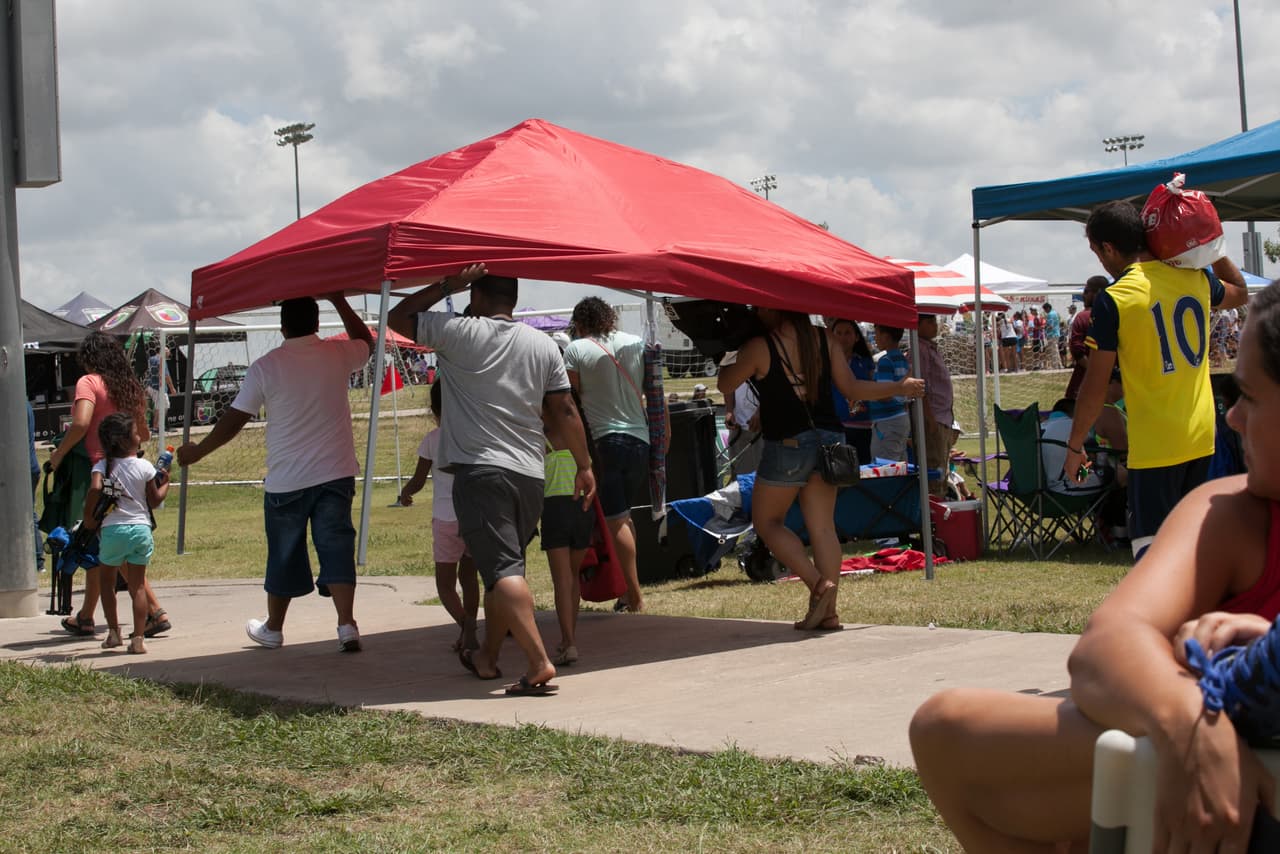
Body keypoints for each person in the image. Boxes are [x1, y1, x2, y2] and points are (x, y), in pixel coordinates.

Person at [909, 279, 1280, 852]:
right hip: (1173, 464)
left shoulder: (1238, 517)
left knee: (947, 734)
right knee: (944, 730)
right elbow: (1109, 642)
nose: (1233, 419)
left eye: (1248, 397)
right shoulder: (1232, 514)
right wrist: (1187, 721)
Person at [388, 264, 594, 696]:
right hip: (530, 475)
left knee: (502, 570)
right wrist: (584, 464)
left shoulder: (460, 333)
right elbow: (564, 411)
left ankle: (538, 662)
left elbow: (397, 317)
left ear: (476, 297)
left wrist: (446, 286)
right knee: (502, 570)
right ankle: (489, 658)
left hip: (481, 473)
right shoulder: (543, 345)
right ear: (514, 299)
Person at [177, 295, 373, 653]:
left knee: (283, 553)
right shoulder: (337, 355)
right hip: (335, 472)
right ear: (317, 323)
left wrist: (198, 452)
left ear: (282, 326)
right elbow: (367, 342)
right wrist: (339, 300)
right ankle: (347, 623)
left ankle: (274, 628)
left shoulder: (266, 366)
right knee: (336, 546)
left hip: (287, 478)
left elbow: (235, 419)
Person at [1063, 200, 1249, 559]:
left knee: (1153, 558)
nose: (1099, 261)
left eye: (1097, 251)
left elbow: (1095, 385)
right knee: (1198, 554)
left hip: (1155, 448)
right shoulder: (1194, 277)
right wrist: (1210, 245)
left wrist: (1074, 447)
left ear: (1109, 248)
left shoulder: (1115, 299)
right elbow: (1240, 291)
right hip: (1201, 438)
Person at [717, 309, 923, 632]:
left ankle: (818, 585)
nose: (755, 311)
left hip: (787, 444)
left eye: (759, 306)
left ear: (773, 308)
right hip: (830, 442)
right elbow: (852, 389)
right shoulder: (823, 338)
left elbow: (724, 382)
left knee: (766, 523)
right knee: (823, 528)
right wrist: (899, 387)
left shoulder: (760, 345)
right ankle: (829, 614)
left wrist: (730, 349)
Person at [47, 331, 170, 639]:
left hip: (98, 470)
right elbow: (142, 432)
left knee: (105, 541)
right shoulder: (128, 386)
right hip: (127, 470)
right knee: (103, 543)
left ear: (89, 358)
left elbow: (80, 423)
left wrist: (59, 455)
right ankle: (88, 616)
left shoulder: (88, 383)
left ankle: (154, 611)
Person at [563, 296, 660, 614]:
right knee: (624, 516)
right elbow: (654, 390)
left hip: (605, 441)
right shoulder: (635, 343)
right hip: (640, 438)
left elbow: (570, 402)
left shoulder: (576, 349)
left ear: (580, 323)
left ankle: (634, 595)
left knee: (616, 520)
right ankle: (626, 591)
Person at [397, 379, 479, 653]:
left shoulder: (431, 440)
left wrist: (405, 493)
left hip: (445, 519)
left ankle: (465, 625)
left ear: (434, 410)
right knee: (470, 579)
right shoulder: (472, 435)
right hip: (473, 516)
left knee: (445, 584)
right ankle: (471, 628)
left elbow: (419, 480)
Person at [83, 413, 170, 654]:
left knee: (108, 584)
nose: (140, 436)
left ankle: (113, 634)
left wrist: (90, 516)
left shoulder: (103, 466)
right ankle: (139, 639)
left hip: (113, 531)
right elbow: (154, 501)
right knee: (138, 587)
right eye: (135, 433)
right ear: (123, 441)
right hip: (141, 530)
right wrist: (166, 483)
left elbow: (95, 489)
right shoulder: (144, 466)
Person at [540, 393, 595, 667]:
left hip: (554, 508)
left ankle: (568, 640)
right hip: (583, 508)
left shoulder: (542, 439)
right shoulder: (580, 446)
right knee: (573, 577)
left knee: (561, 580)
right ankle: (568, 638)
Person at [915, 314, 958, 497]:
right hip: (934, 419)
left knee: (942, 471)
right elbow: (919, 386)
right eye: (929, 322)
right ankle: (934, 516)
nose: (935, 325)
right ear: (918, 325)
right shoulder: (920, 349)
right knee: (934, 473)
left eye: (935, 321)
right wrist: (930, 419)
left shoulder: (930, 347)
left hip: (943, 418)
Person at [827, 318, 875, 465]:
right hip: (834, 428)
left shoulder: (866, 363)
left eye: (847, 333)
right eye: (838, 333)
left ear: (856, 337)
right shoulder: (823, 363)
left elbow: (873, 389)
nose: (842, 337)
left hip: (863, 428)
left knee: (863, 473)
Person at [867, 324, 912, 462]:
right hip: (900, 419)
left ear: (885, 337)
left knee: (885, 466)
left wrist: (867, 393)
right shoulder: (902, 360)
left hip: (887, 423)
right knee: (899, 463)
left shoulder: (885, 361)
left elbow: (885, 394)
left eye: (877, 334)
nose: (875, 338)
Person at [1064, 276, 1108, 398]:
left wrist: (1094, 373)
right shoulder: (1116, 315)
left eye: (1086, 291)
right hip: (1111, 377)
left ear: (1097, 293)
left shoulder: (1082, 317)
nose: (1083, 295)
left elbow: (1077, 351)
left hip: (1085, 378)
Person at [145, 343, 176, 432]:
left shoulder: (151, 359)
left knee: (161, 406)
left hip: (151, 386)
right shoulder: (162, 360)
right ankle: (156, 427)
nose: (169, 352)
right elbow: (166, 375)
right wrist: (172, 387)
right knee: (162, 406)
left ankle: (158, 426)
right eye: (167, 350)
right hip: (159, 388)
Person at [28, 401, 43, 573]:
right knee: (29, 513)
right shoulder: (24, 404)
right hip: (31, 466)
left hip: (19, 468)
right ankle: (38, 559)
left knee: (27, 515)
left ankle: (38, 560)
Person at [1042, 301, 1064, 369]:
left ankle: (1055, 365)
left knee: (1053, 350)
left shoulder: (1050, 314)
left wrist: (1044, 326)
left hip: (1052, 334)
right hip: (1056, 333)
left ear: (1048, 308)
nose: (1045, 311)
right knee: (1055, 349)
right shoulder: (1055, 313)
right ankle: (1059, 364)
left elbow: (1050, 326)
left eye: (1045, 309)